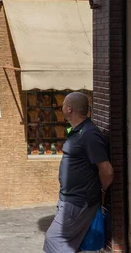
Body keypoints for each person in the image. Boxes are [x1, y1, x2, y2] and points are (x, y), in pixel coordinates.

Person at [43, 92, 113, 253]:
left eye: (63, 105)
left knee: (54, 240)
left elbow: (107, 171)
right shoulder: (79, 131)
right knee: (70, 245)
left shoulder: (89, 134)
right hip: (69, 200)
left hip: (78, 202)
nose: (61, 108)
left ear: (69, 109)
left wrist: (100, 191)